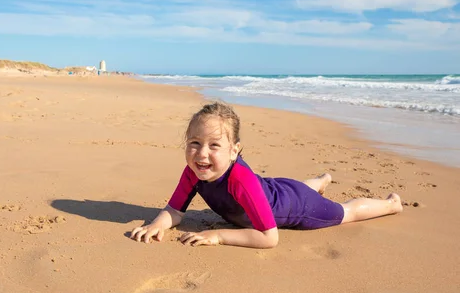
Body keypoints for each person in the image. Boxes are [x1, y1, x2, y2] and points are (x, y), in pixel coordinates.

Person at [130, 102, 403, 249]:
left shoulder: (240, 181)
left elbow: (269, 237)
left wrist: (219, 236)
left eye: (214, 145)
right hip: (272, 188)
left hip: (297, 205)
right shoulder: (193, 172)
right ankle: (320, 181)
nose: (202, 154)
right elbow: (174, 211)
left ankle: (391, 205)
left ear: (235, 150)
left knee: (345, 212)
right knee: (292, 188)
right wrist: (158, 224)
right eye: (194, 143)